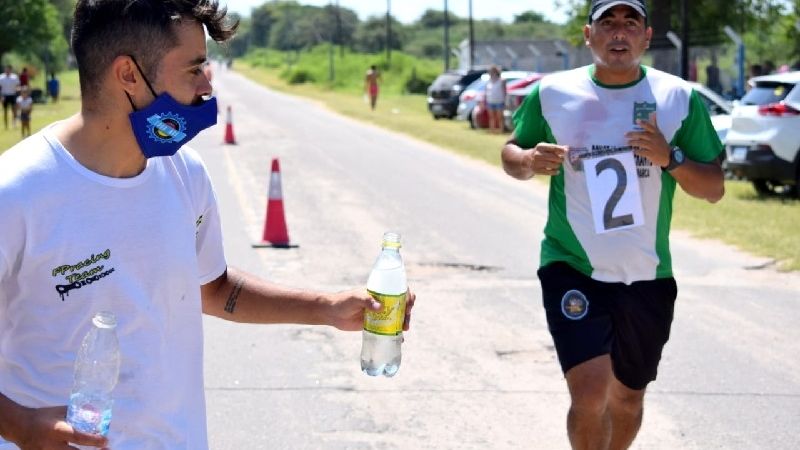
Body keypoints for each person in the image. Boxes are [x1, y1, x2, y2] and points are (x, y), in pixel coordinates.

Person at [0, 1, 416, 449]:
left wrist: (326, 307)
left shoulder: (185, 173)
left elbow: (211, 288)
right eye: (194, 68)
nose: (207, 84)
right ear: (127, 75)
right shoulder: (18, 193)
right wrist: (20, 426)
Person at [501, 1, 724, 449]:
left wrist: (670, 157)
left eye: (630, 24)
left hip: (647, 275)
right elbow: (512, 152)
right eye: (607, 23)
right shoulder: (552, 93)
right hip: (572, 266)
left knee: (626, 400)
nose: (618, 33)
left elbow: (714, 187)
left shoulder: (678, 98)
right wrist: (526, 160)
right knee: (589, 393)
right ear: (589, 35)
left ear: (646, 36)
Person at [484, 65, 507, 134]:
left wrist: (505, 101)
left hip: (499, 101)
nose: (491, 73)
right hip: (490, 101)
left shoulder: (501, 80)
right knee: (491, 117)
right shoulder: (488, 81)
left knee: (500, 117)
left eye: (493, 71)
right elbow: (486, 91)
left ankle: (501, 130)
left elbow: (504, 91)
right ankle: (492, 130)